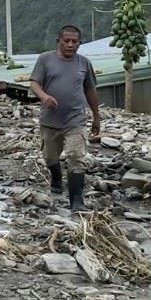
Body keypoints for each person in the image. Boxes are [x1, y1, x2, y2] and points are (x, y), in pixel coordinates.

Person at [28, 25, 101, 212]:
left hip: (75, 120)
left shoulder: (84, 63)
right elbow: (34, 83)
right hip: (49, 121)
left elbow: (90, 90)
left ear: (79, 43)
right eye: (66, 41)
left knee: (76, 157)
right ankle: (56, 178)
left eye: (74, 42)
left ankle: (76, 201)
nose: (70, 44)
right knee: (50, 157)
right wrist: (43, 96)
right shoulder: (45, 59)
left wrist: (96, 117)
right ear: (58, 41)